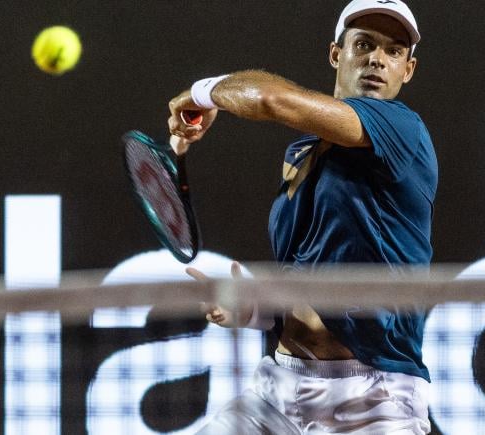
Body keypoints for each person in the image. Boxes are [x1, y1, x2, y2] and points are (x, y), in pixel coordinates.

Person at [168, 0, 436, 433]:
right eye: (364, 44)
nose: (377, 60)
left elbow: (272, 99)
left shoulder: (401, 128)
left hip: (374, 400)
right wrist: (254, 310)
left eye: (394, 52)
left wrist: (202, 92)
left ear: (408, 70)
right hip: (279, 390)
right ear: (336, 54)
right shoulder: (302, 155)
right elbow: (303, 269)